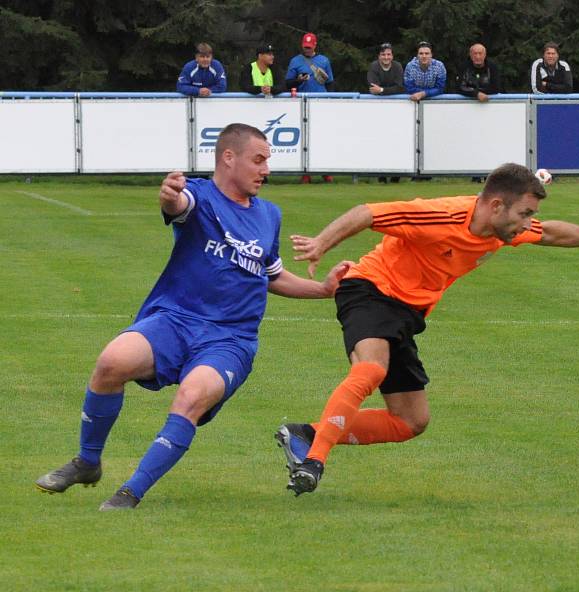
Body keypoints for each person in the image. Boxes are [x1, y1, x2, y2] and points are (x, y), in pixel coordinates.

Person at [275, 163, 579, 496]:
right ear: (495, 205)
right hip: (371, 289)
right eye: (524, 213)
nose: (527, 223)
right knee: (371, 368)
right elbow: (367, 212)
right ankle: (314, 462)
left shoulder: (502, 228)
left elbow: (551, 232)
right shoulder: (440, 214)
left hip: (406, 312)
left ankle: (307, 433)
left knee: (410, 421)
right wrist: (320, 243)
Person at [35, 123, 351, 510]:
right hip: (175, 319)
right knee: (110, 362)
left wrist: (323, 288)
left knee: (191, 395)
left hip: (230, 339)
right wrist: (169, 197)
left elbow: (271, 276)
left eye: (268, 160)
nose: (266, 169)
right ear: (228, 158)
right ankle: (88, 461)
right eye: (259, 159)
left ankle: (130, 491)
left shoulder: (269, 215)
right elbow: (178, 206)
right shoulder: (199, 196)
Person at [286, 32, 335, 183]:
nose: (306, 49)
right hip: (302, 103)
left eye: (309, 47)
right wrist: (298, 79)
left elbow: (330, 83)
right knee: (305, 139)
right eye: (305, 47)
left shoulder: (324, 60)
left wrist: (330, 99)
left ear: (314, 46)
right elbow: (288, 83)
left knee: (321, 138)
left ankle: (324, 170)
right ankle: (306, 172)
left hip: (320, 102)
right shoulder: (295, 61)